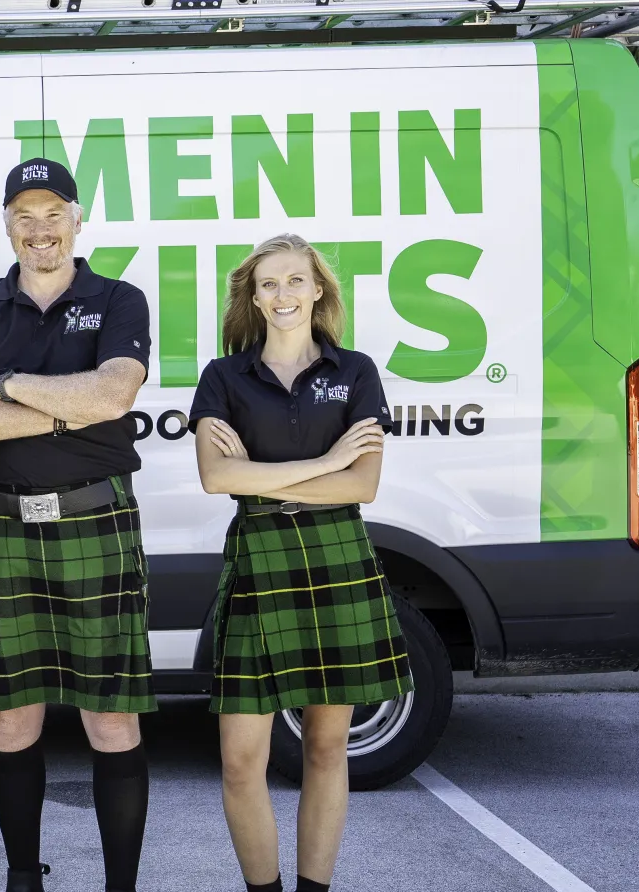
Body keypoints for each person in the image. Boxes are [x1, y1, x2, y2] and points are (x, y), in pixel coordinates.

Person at [0, 158, 155, 892]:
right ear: (6, 224)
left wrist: (9, 386)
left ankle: (120, 886)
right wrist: (70, 402)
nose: (40, 229)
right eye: (24, 216)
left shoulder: (119, 299)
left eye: (52, 213)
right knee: (10, 720)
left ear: (78, 216)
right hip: (0, 524)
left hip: (96, 518)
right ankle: (23, 877)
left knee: (112, 721)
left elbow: (115, 393)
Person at [187, 234, 412, 892]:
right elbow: (212, 475)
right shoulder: (224, 377)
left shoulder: (355, 372)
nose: (282, 294)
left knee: (323, 747)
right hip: (258, 557)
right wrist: (324, 461)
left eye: (294, 281)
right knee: (239, 761)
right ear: (253, 299)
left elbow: (361, 487)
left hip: (336, 553)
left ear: (318, 290)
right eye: (268, 284)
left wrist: (260, 476)